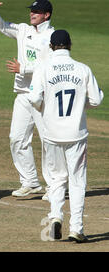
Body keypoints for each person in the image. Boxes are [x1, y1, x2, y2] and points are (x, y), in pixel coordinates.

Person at [28, 30, 104, 243]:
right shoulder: (83, 69)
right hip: (76, 134)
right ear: (70, 45)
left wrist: (45, 107)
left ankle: (55, 216)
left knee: (56, 179)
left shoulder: (43, 68)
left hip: (51, 133)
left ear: (51, 46)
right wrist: (81, 106)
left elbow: (34, 98)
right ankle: (77, 228)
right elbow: (97, 100)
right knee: (77, 181)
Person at [0, 0, 55, 198]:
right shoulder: (24, 30)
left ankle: (54, 186)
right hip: (23, 94)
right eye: (32, 10)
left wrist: (23, 68)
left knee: (48, 141)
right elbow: (2, 26)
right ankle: (30, 182)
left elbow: (50, 65)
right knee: (16, 138)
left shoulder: (52, 36)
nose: (32, 13)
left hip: (43, 96)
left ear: (47, 15)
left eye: (37, 11)